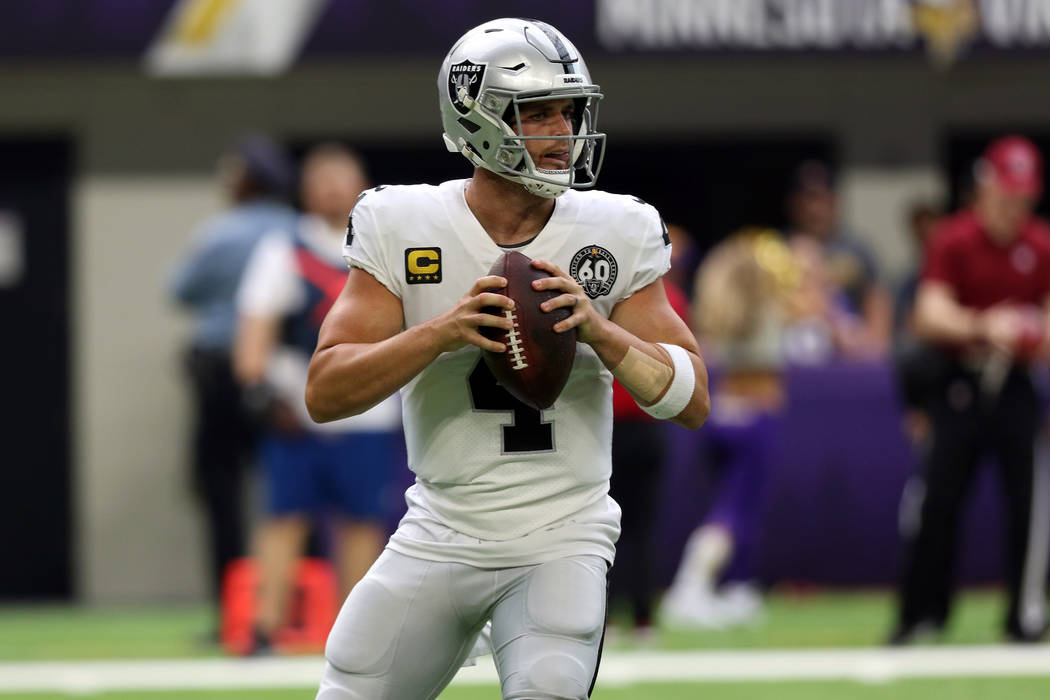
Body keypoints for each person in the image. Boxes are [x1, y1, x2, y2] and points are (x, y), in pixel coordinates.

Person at [305, 18, 710, 699]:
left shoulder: (616, 229)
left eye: (570, 110)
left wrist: (601, 334)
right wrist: (442, 331)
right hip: (442, 527)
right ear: (480, 118)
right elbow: (325, 392)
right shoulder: (403, 224)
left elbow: (694, 401)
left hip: (563, 532)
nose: (563, 131)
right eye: (538, 112)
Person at [233, 143, 402, 654]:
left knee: (362, 524)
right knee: (284, 518)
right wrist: (258, 387)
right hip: (298, 410)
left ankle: (355, 636)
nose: (331, 188)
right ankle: (263, 629)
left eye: (341, 177)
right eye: (321, 178)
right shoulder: (283, 248)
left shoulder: (383, 247)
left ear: (362, 185)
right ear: (304, 188)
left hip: (369, 412)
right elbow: (255, 326)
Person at [891, 135, 1050, 644]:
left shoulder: (1041, 243)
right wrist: (987, 324)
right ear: (985, 189)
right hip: (958, 382)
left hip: (1017, 384)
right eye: (1006, 195)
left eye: (1023, 197)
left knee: (1029, 504)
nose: (1014, 208)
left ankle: (1024, 618)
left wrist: (1028, 330)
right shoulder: (955, 239)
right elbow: (929, 313)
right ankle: (921, 616)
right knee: (937, 503)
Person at [170, 133, 297, 633]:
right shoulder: (295, 230)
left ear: (246, 180)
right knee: (289, 490)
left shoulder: (221, 233)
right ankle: (289, 610)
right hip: (280, 370)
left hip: (221, 370)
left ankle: (232, 615)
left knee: (221, 490)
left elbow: (178, 290)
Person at [661, 228, 800, 629]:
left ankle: (737, 586)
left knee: (734, 507)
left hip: (722, 414)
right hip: (756, 418)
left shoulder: (721, 308)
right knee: (735, 511)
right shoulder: (766, 308)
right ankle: (690, 587)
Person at [608, 223, 692, 641]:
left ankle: (611, 616)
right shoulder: (672, 300)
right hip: (642, 427)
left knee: (609, 525)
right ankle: (641, 617)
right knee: (636, 526)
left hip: (618, 427)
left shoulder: (607, 296)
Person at [786, 160, 893, 359]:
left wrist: (873, 347)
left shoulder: (859, 250)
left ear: (834, 200)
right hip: (801, 351)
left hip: (852, 352)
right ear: (795, 204)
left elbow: (878, 306)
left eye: (821, 198)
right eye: (807, 199)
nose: (814, 208)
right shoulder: (782, 249)